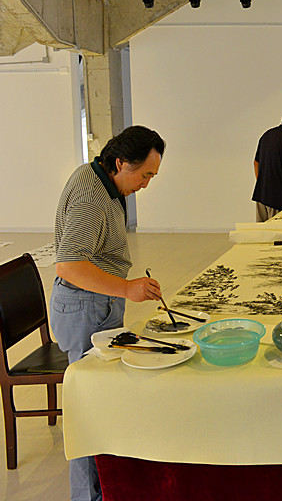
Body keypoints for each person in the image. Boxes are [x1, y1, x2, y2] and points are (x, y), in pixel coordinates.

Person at [50, 125, 166, 501]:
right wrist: (127, 289)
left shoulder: (101, 179)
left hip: (95, 303)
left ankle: (107, 487)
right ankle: (87, 496)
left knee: (99, 403)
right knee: (89, 408)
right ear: (120, 163)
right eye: (145, 175)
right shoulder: (91, 197)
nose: (145, 185)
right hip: (85, 308)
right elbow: (69, 265)